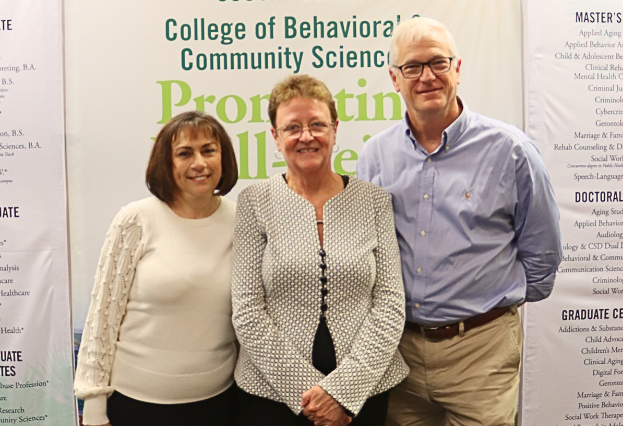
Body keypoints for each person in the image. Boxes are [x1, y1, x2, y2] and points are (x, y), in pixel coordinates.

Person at [356, 17, 563, 426]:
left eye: (438, 62)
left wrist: (488, 312)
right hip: (398, 357)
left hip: (481, 354)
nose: (426, 76)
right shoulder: (375, 156)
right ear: (395, 79)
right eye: (412, 67)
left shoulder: (512, 151)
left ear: (458, 69)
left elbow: (544, 257)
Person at [232, 74, 409, 426]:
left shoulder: (373, 201)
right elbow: (247, 311)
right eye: (292, 127)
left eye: (317, 124)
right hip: (269, 398)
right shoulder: (254, 202)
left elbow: (390, 303)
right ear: (275, 136)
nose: (306, 136)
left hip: (362, 395)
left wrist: (343, 392)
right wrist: (311, 394)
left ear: (335, 129)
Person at [73, 111, 239, 426]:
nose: (199, 163)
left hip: (219, 405)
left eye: (208, 150)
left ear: (224, 157)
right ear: (166, 162)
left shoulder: (242, 221)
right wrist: (93, 406)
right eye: (184, 153)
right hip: (135, 406)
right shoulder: (135, 219)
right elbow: (101, 318)